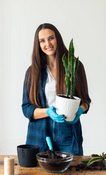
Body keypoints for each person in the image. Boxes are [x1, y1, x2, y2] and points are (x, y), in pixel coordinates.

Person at [22, 23, 91, 155]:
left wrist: (79, 110)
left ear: (57, 38)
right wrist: (48, 112)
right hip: (39, 134)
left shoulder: (75, 66)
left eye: (51, 38)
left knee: (72, 173)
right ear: (38, 45)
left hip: (68, 133)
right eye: (42, 40)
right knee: (38, 174)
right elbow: (26, 108)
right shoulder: (32, 72)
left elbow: (86, 101)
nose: (47, 43)